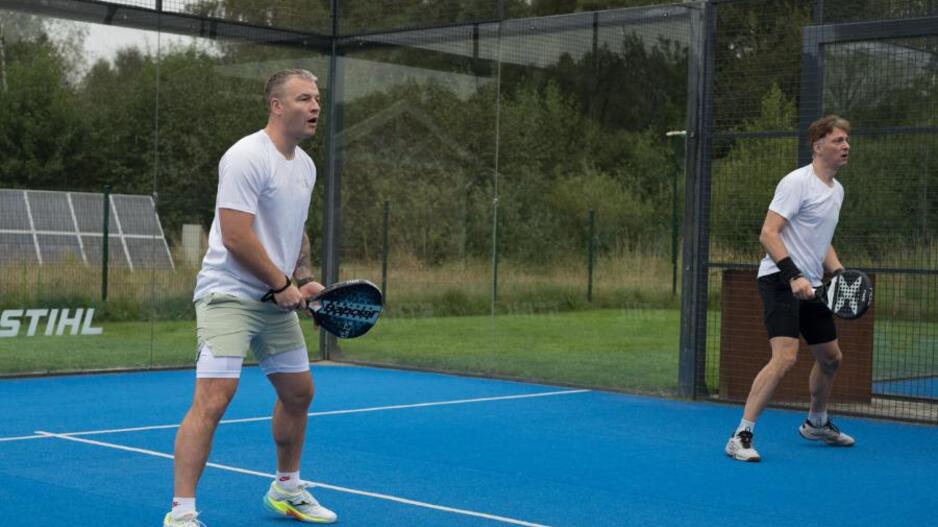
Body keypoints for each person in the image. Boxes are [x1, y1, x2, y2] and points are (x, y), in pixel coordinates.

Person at [164, 69, 337, 526]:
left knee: (299, 394)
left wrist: (301, 279)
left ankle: (287, 490)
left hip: (273, 298)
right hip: (228, 295)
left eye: (317, 98)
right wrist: (281, 286)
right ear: (276, 106)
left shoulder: (305, 167)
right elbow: (236, 235)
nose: (315, 107)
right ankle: (182, 513)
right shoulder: (246, 156)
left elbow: (294, 230)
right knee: (215, 397)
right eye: (304, 98)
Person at [725, 115, 857, 462]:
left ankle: (816, 423)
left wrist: (839, 273)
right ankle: (740, 436)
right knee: (785, 356)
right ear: (818, 146)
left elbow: (821, 242)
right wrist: (793, 275)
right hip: (779, 280)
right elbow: (769, 233)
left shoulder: (837, 191)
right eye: (838, 140)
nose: (845, 146)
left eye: (847, 140)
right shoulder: (797, 182)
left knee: (831, 358)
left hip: (812, 285)